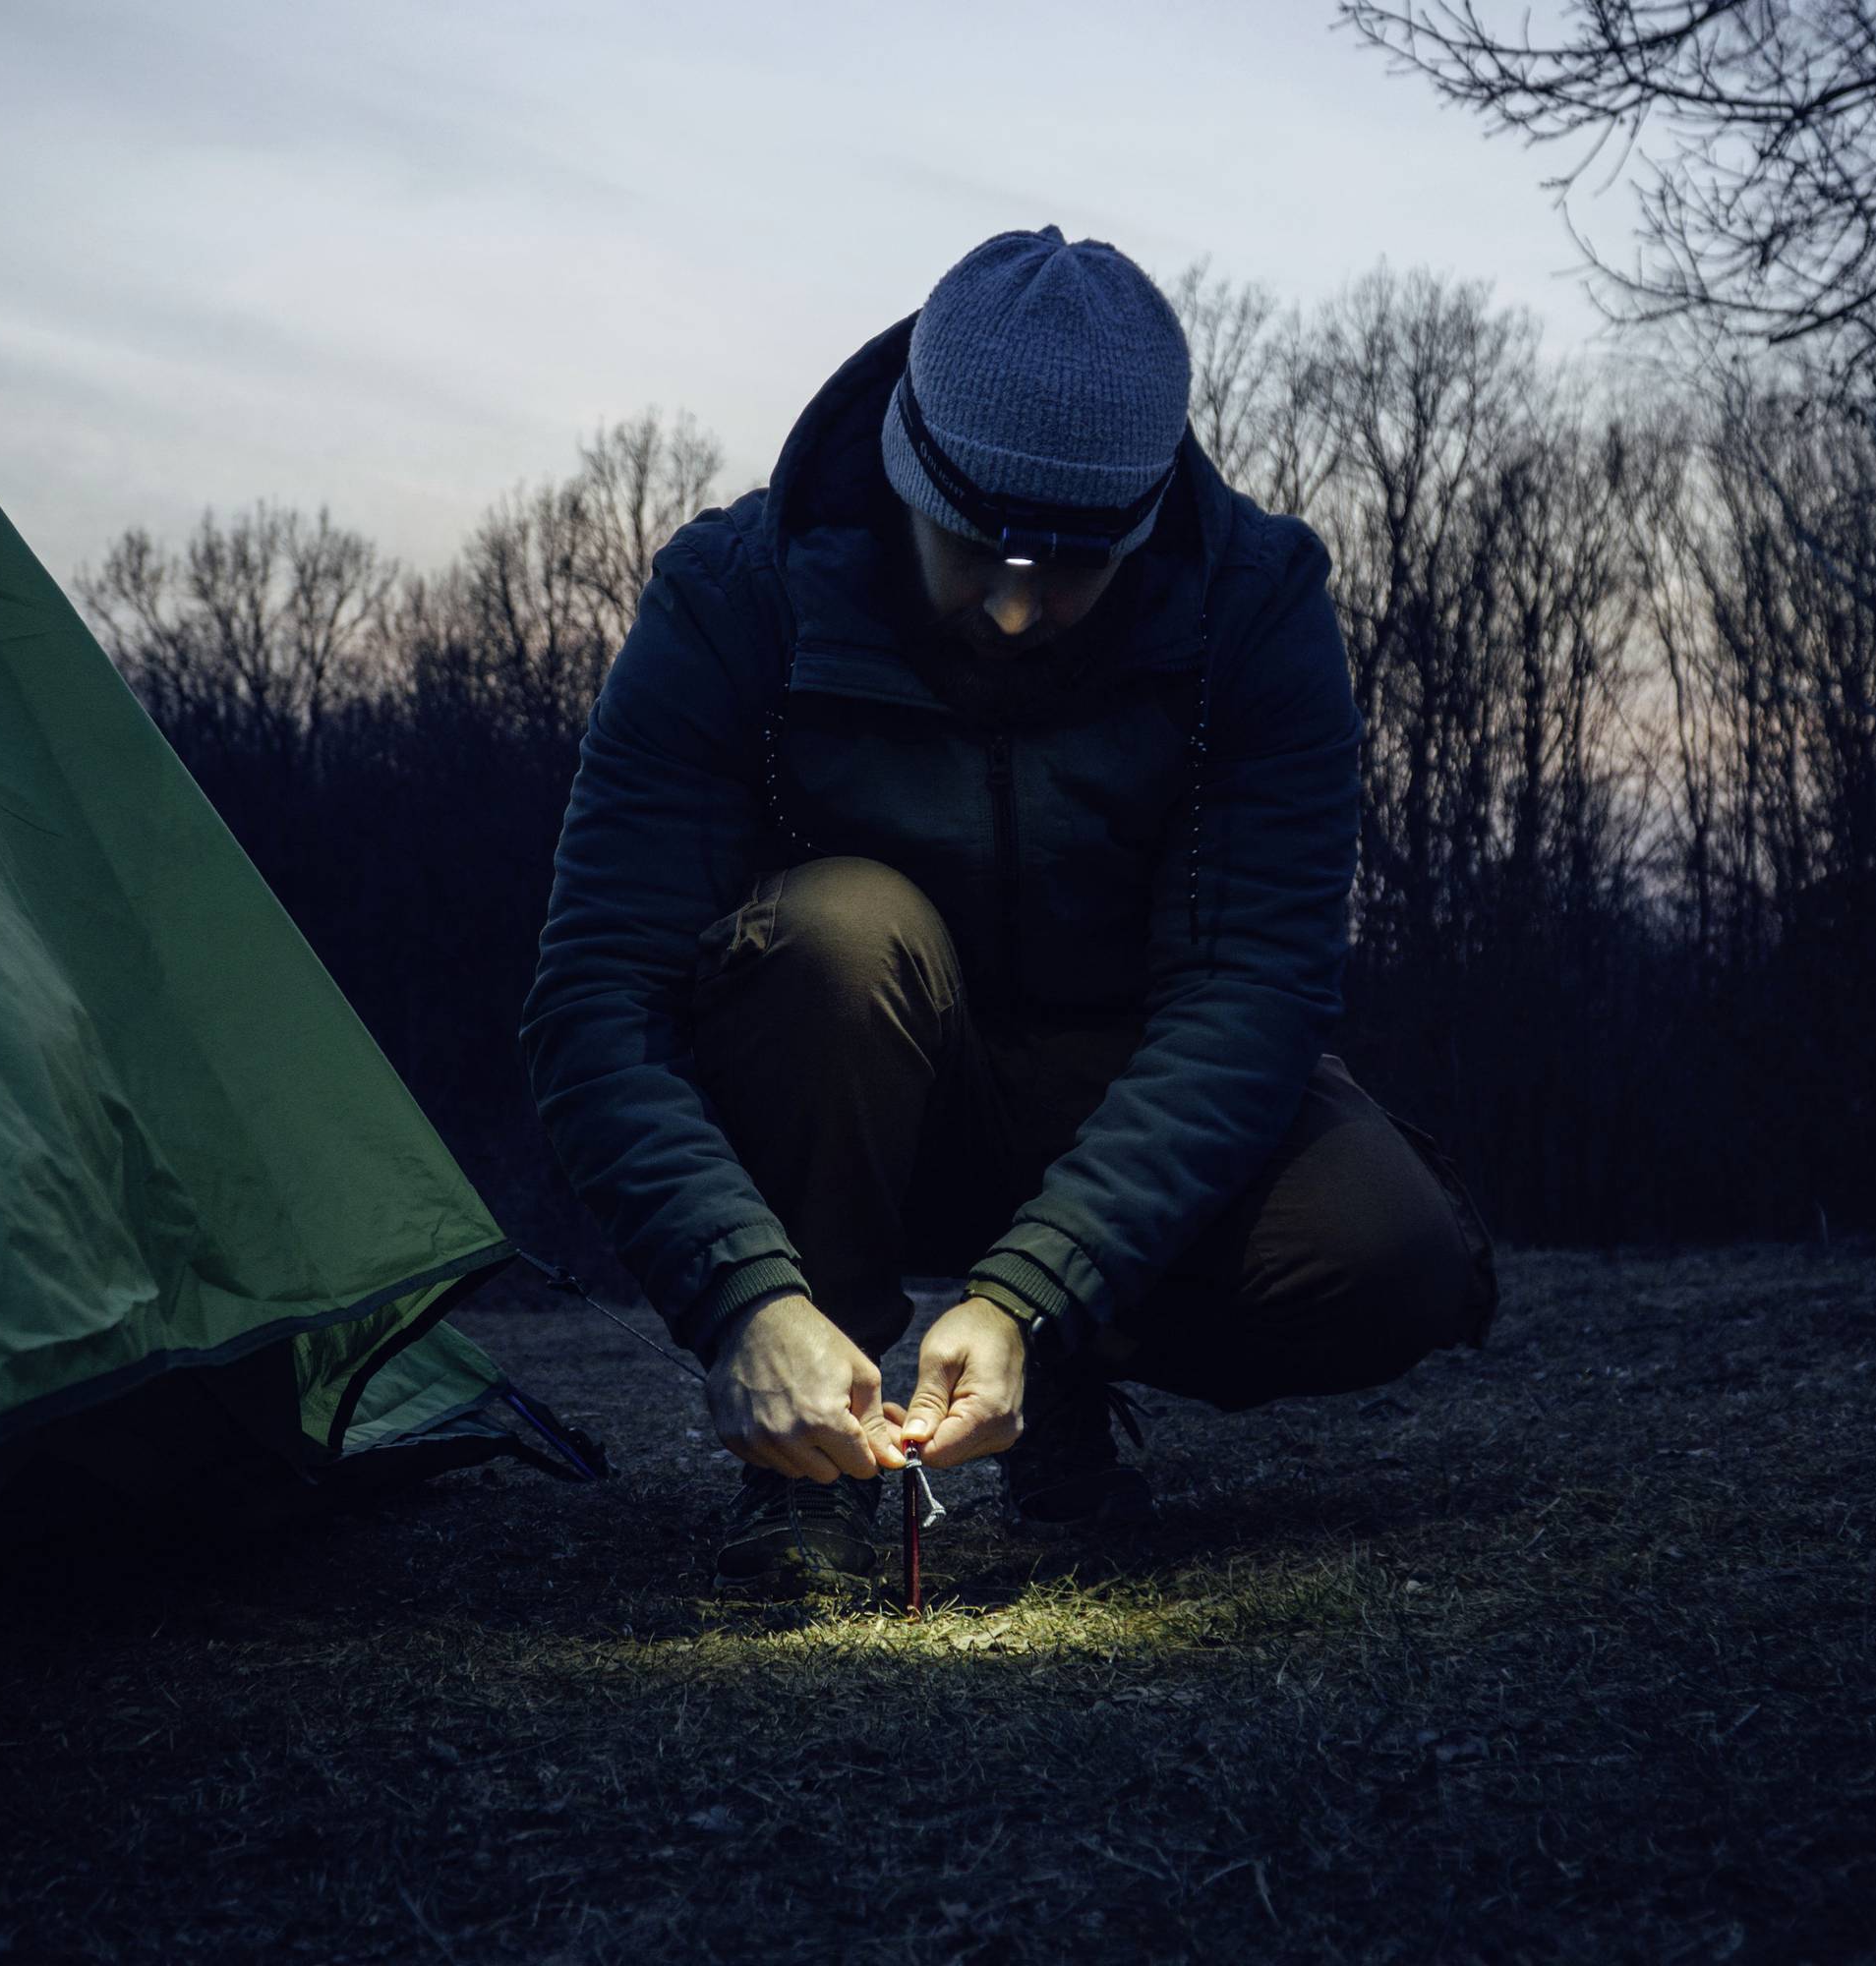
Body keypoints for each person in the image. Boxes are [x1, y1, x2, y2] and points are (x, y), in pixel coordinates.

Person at [520, 226, 1498, 1595]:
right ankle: (809, 1462)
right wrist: (742, 1295)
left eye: (1076, 566)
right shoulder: (740, 597)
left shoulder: (1255, 611)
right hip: (854, 1090)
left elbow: (1247, 1002)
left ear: (1148, 522)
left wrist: (1037, 1292)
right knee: (836, 932)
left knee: (1395, 1257)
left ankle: (1056, 1363)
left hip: (1111, 1097)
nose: (1020, 613)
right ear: (907, 477)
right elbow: (595, 1001)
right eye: (976, 550)